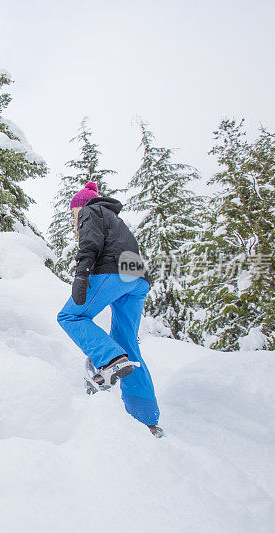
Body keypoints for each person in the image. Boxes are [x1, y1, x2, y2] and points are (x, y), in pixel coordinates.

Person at [56, 181, 163, 437]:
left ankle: (111, 359)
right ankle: (146, 419)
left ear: (79, 205)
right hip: (136, 279)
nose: (75, 218)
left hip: (112, 272)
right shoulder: (116, 219)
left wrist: (82, 274)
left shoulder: (89, 210)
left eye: (73, 213)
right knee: (128, 344)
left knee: (70, 316)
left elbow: (90, 242)